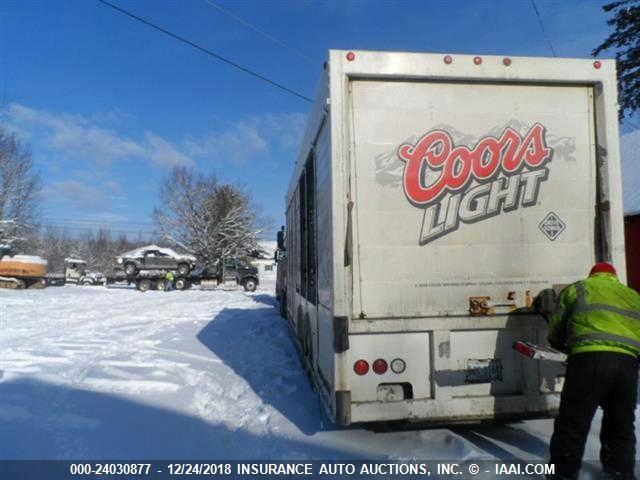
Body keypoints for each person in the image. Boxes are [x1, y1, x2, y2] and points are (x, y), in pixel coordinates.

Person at [546, 262, 640, 480]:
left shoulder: (578, 289)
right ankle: (620, 471)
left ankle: (563, 474)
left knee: (573, 421)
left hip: (589, 360)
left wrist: (559, 344)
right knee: (622, 422)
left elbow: (557, 322)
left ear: (593, 275)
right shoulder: (633, 296)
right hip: (626, 364)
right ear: (614, 277)